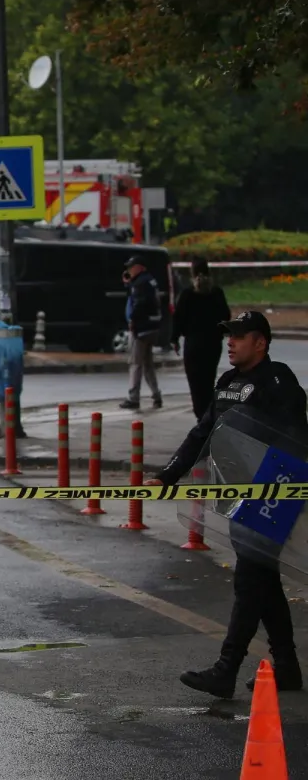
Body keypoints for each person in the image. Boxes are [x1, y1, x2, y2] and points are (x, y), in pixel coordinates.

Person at [146, 311, 306, 698]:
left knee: (250, 582)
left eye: (238, 336)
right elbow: (204, 433)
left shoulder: (278, 380)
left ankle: (226, 669)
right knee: (263, 580)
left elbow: (294, 439)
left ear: (260, 343)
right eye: (228, 336)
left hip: (272, 493)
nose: (229, 343)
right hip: (238, 495)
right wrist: (167, 475)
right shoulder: (227, 383)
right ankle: (286, 666)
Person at [172, 258, 231, 420]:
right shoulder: (216, 293)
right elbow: (226, 316)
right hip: (213, 344)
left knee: (195, 384)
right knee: (208, 381)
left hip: (194, 345)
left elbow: (178, 319)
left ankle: (201, 416)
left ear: (192, 273)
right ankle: (209, 413)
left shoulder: (187, 294)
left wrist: (174, 339)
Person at [120, 255, 163, 410]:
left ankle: (133, 398)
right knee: (147, 364)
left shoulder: (140, 283)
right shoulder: (150, 280)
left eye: (132, 267)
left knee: (136, 364)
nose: (129, 270)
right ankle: (156, 395)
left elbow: (139, 303)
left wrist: (133, 320)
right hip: (153, 327)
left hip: (142, 328)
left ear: (140, 267)